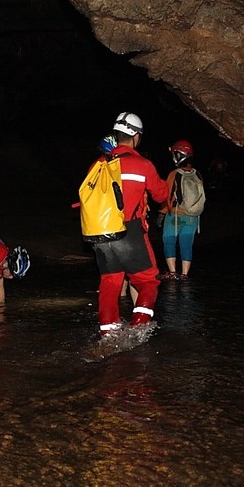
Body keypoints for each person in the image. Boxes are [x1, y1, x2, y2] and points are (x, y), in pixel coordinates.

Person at [92, 111, 168, 337]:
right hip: (129, 231)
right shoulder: (142, 164)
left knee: (110, 282)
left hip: (101, 233)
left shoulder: (98, 164)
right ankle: (138, 327)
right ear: (135, 137)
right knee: (149, 281)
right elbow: (161, 194)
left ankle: (108, 334)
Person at [159, 139, 205, 281]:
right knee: (186, 244)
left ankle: (173, 272)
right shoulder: (197, 174)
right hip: (193, 217)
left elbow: (166, 196)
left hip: (176, 215)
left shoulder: (175, 174)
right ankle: (185, 274)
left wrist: (162, 213)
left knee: (169, 241)